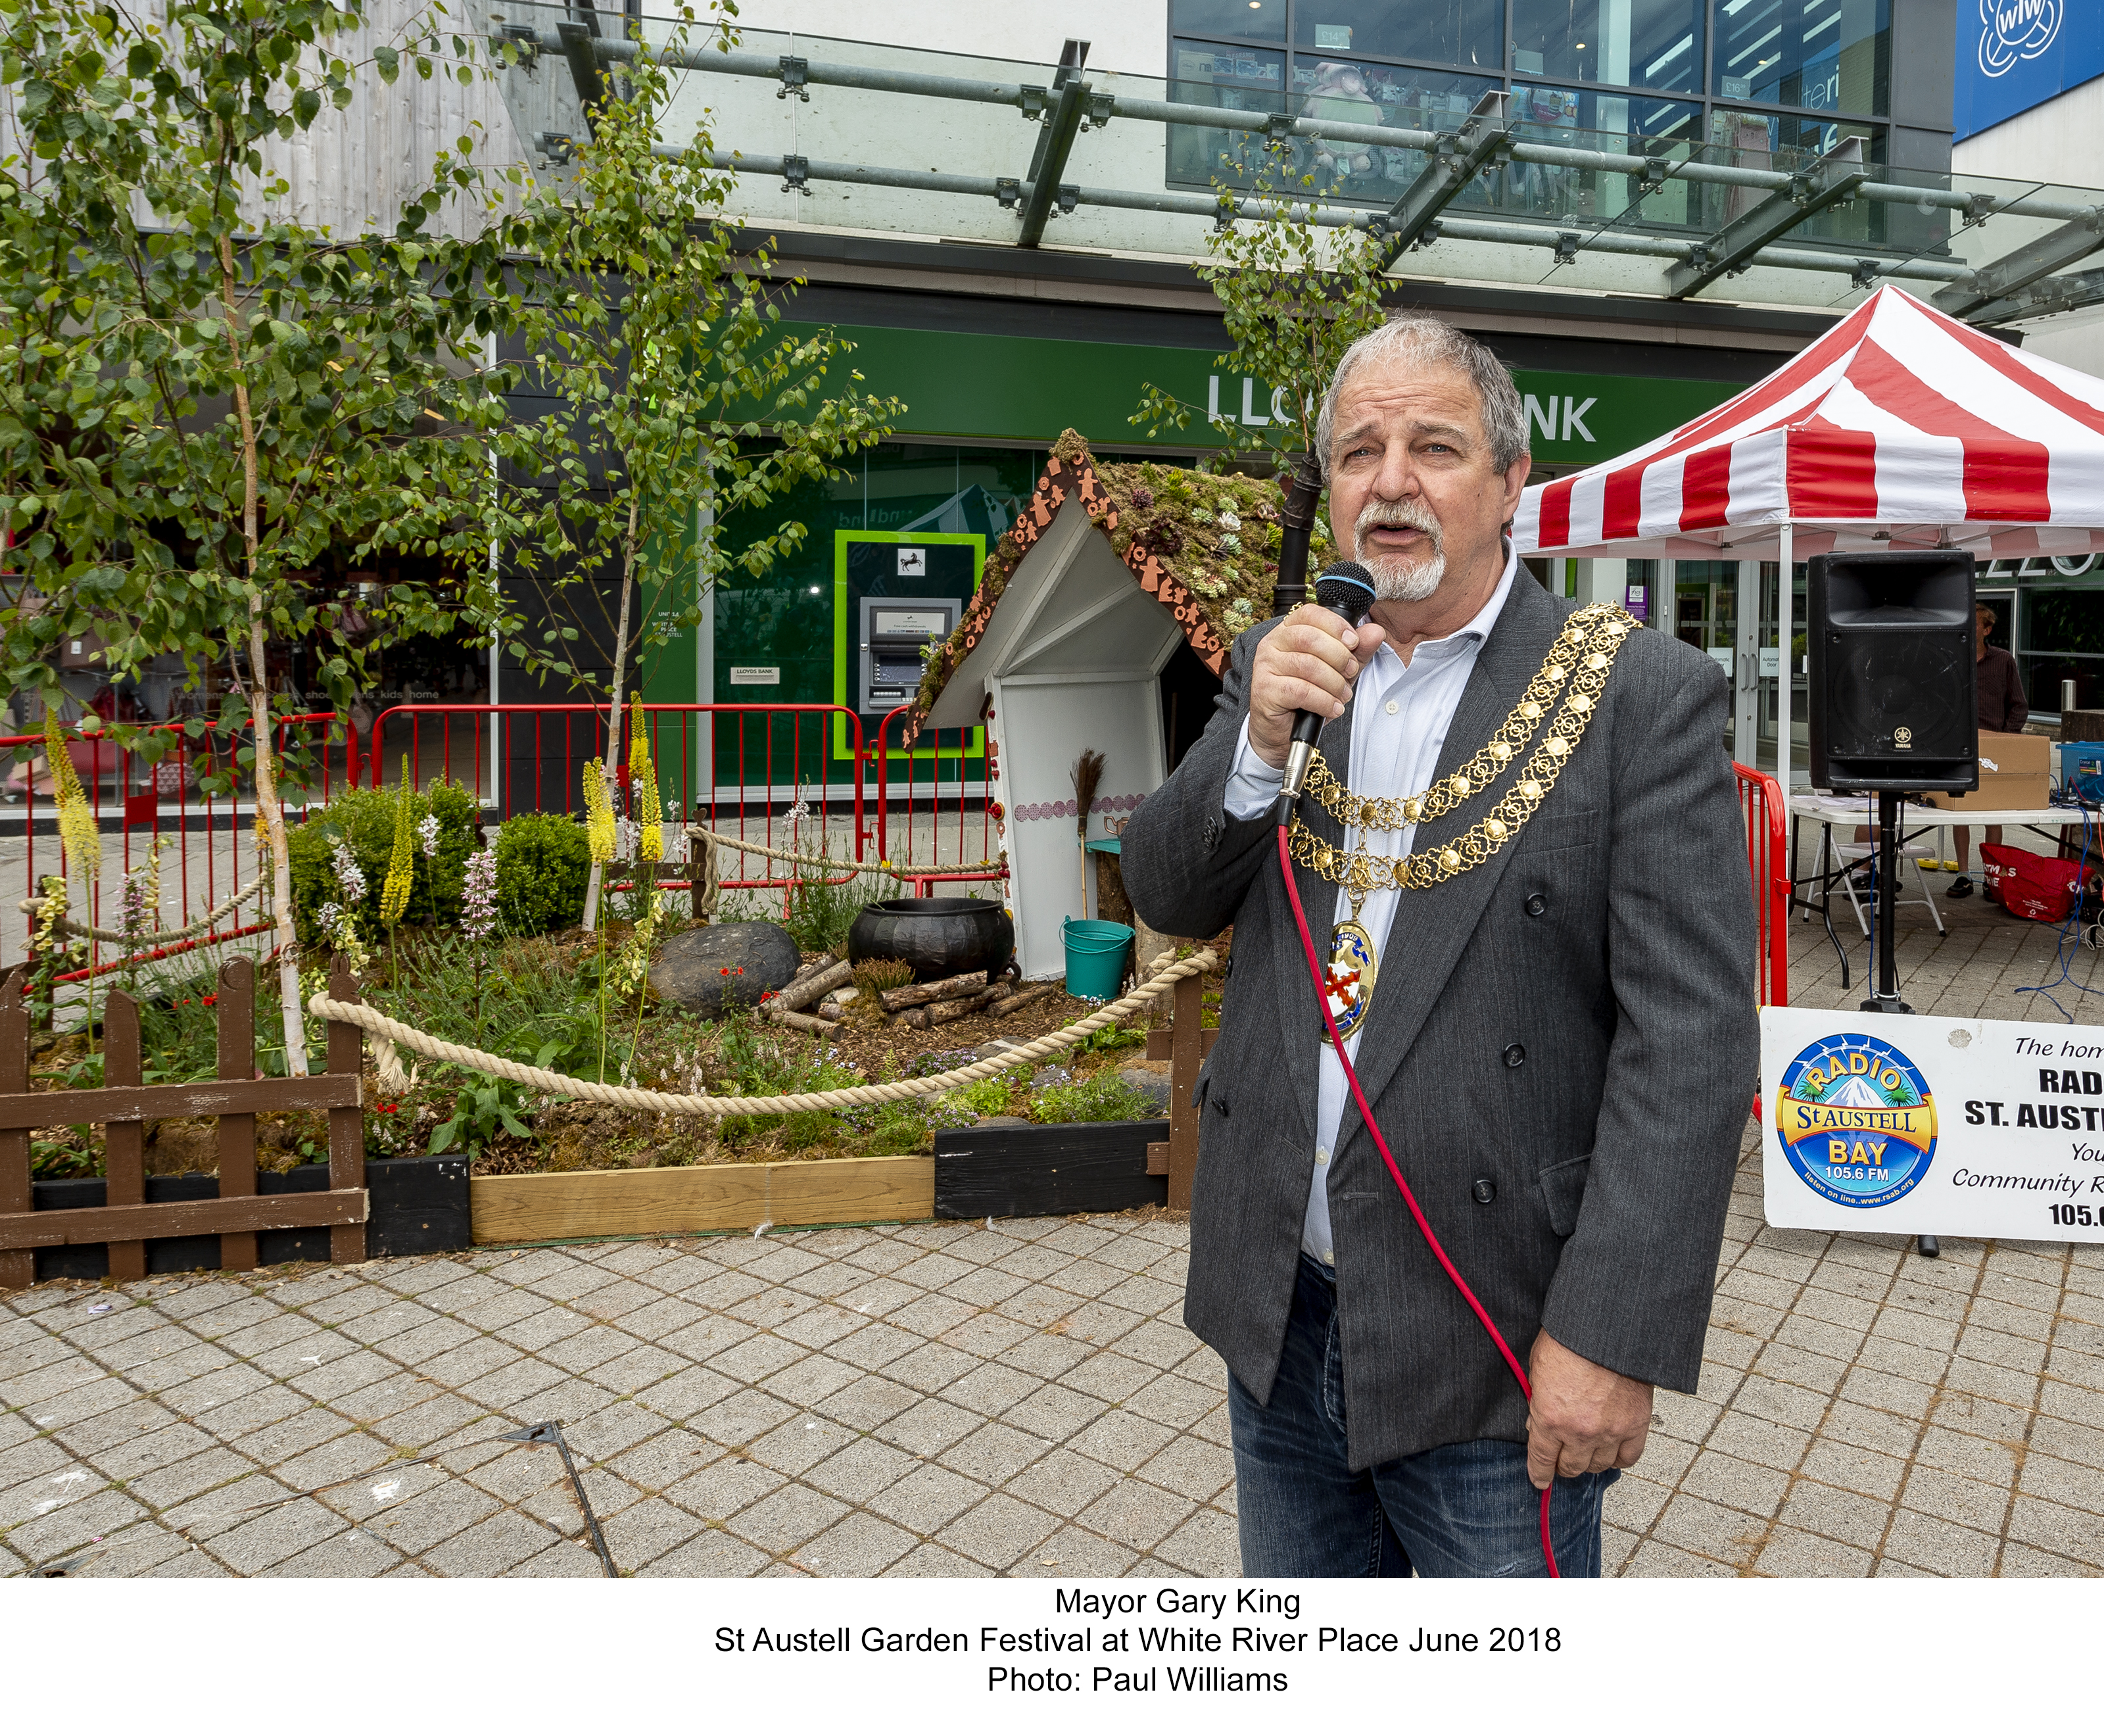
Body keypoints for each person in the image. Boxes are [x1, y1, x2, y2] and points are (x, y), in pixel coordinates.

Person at [1120, 316, 1757, 1578]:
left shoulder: (1638, 695)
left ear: (1511, 482)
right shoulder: (1285, 664)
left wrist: (1610, 1336)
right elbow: (1170, 892)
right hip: (1283, 1311)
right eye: (1360, 451)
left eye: (1434, 447)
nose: (1392, 480)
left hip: (1496, 1339)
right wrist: (1253, 741)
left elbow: (1687, 1047)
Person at [1946, 602, 2028, 898]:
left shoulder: (2004, 660)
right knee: (1960, 812)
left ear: (1987, 629)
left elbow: (2019, 705)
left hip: (1995, 745)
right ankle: (1964, 874)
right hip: (1961, 746)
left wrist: (2007, 740)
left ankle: (1992, 878)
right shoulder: (1954, 660)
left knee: (1994, 813)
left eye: (1975, 624)